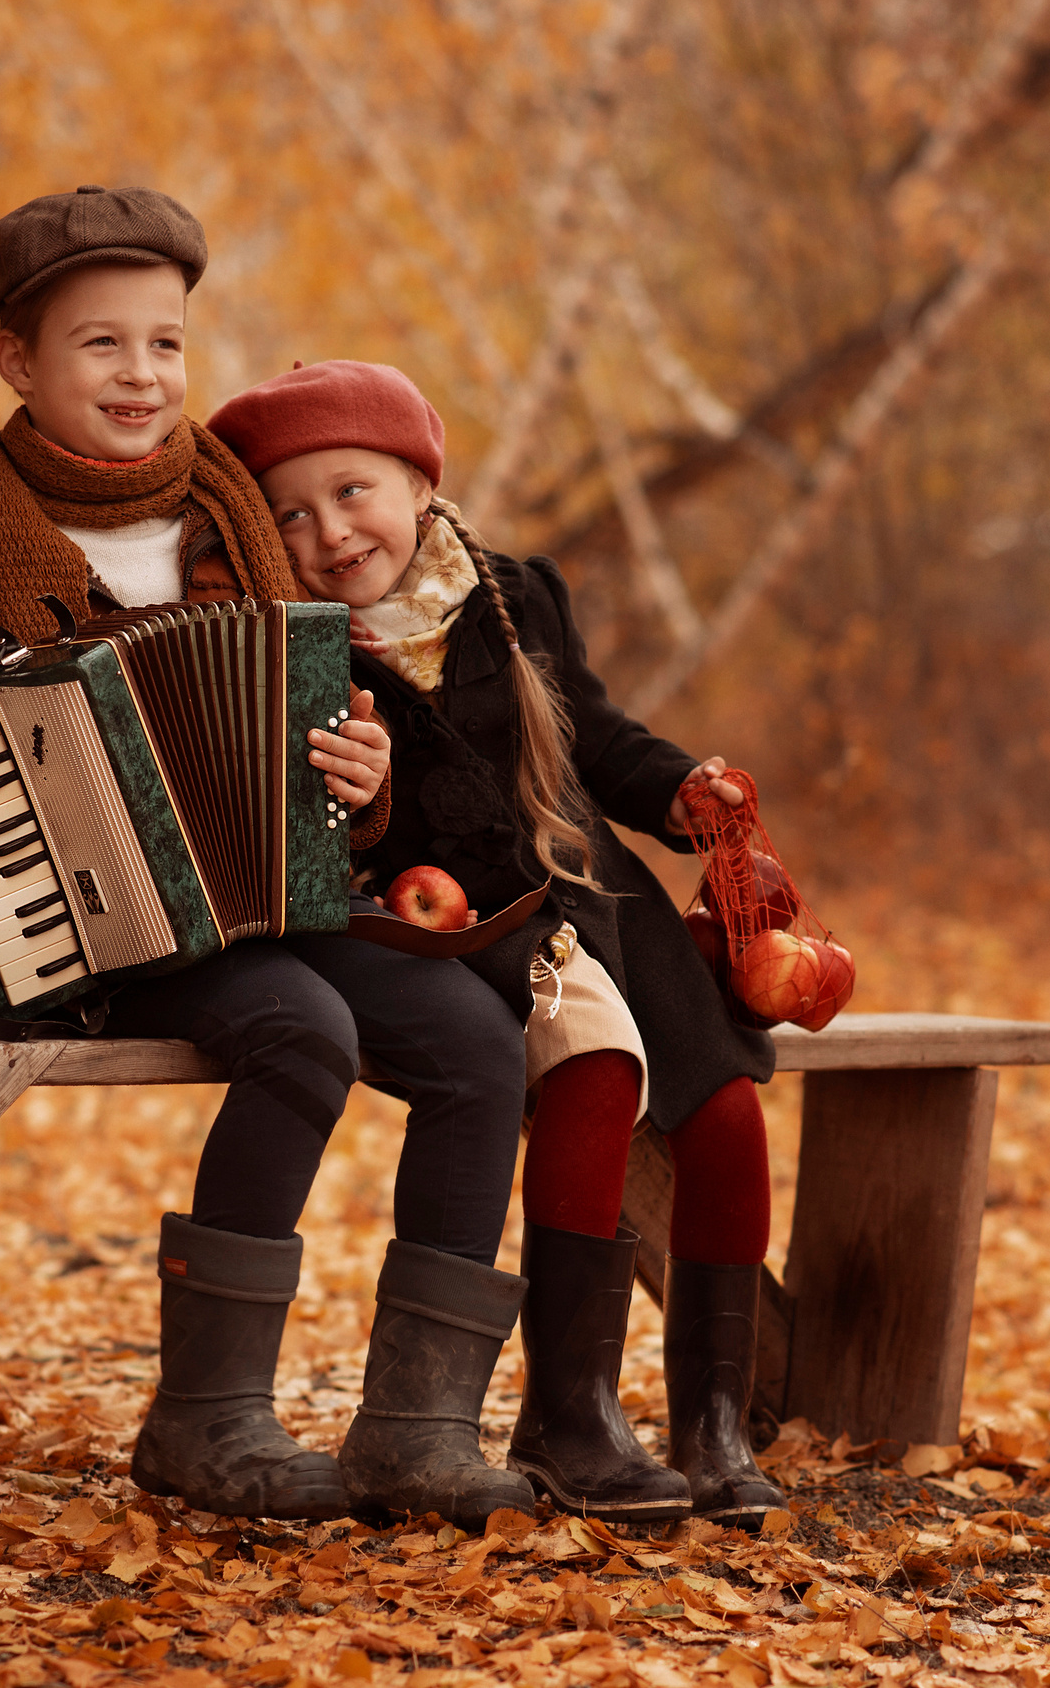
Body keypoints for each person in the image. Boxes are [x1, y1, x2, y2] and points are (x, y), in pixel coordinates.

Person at [0, 190, 536, 1528]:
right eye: (101, 345)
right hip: (87, 927)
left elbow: (328, 724)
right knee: (304, 1029)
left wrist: (365, 787)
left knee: (475, 1040)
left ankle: (417, 1431)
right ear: (18, 362)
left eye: (166, 344)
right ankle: (207, 1418)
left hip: (269, 900)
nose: (141, 376)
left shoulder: (235, 516)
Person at [206, 361, 787, 1528]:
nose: (330, 531)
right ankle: (569, 1414)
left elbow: (592, 739)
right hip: (458, 920)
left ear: (420, 482)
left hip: (593, 890)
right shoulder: (296, 646)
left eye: (353, 490)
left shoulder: (514, 594)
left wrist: (679, 789)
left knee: (723, 1114)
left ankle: (713, 1421)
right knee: (592, 1074)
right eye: (290, 514)